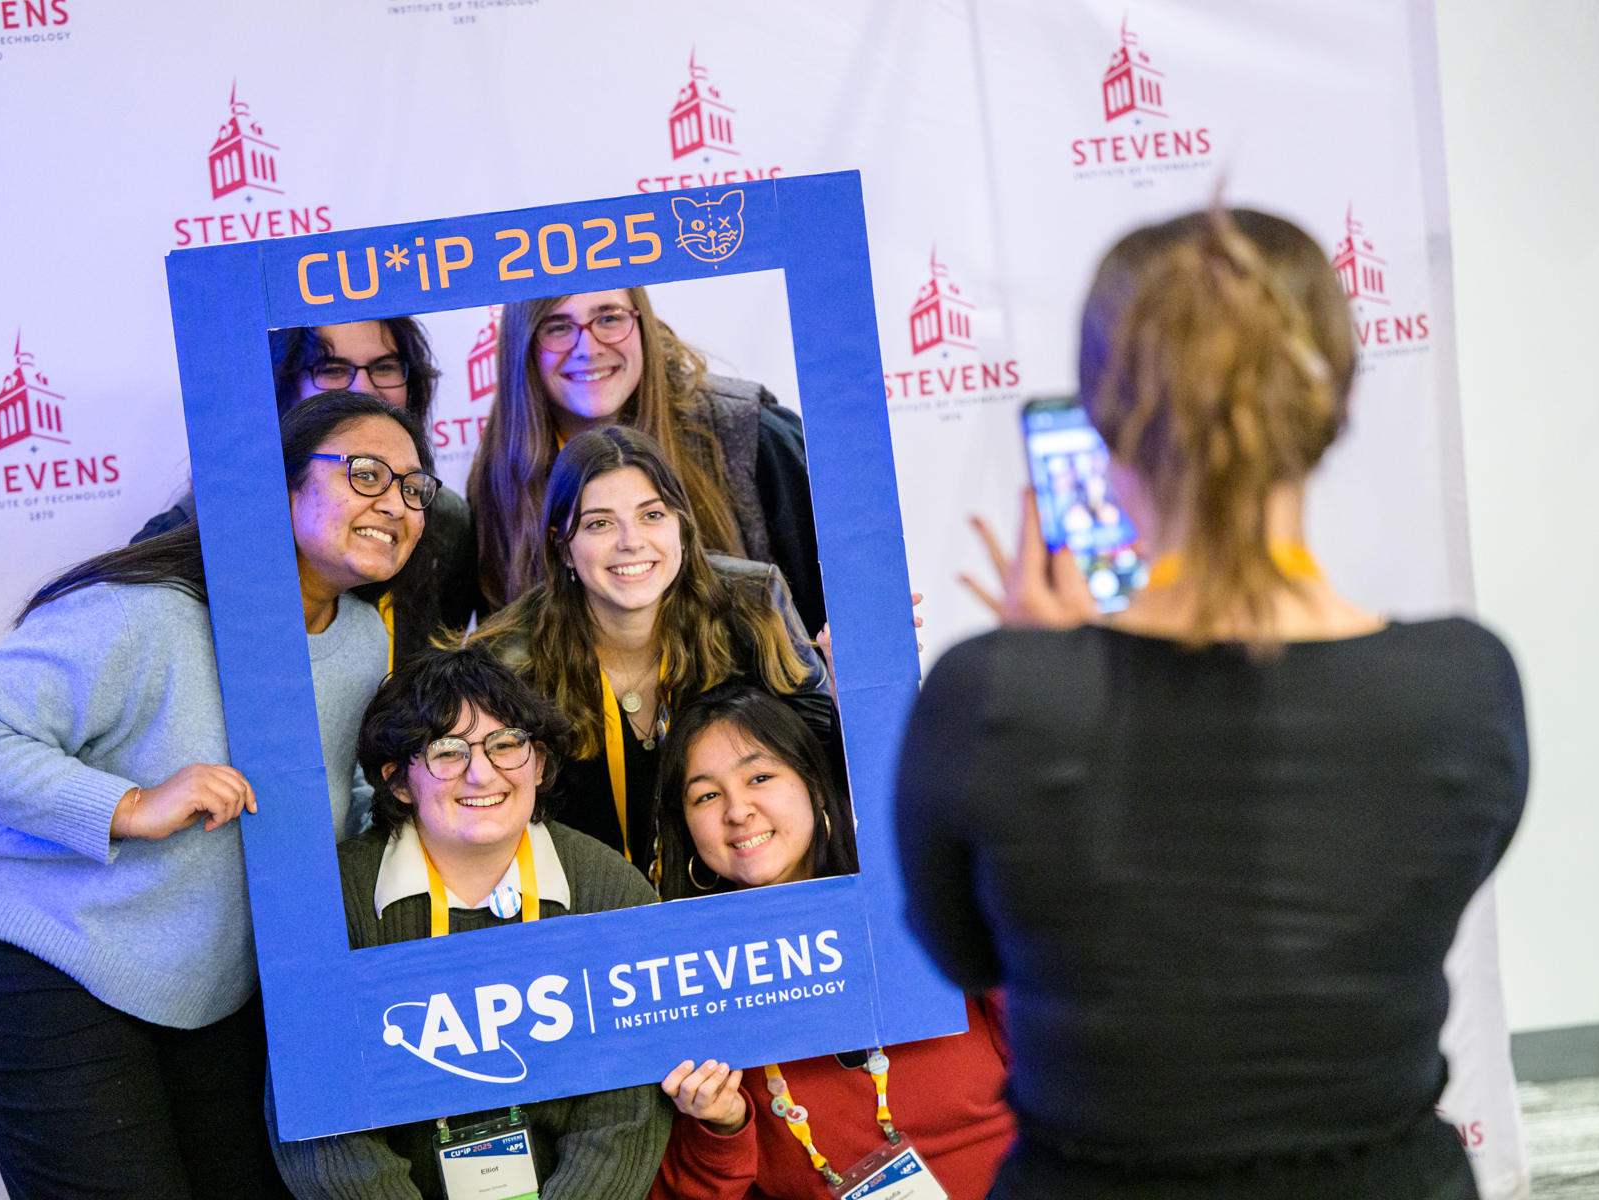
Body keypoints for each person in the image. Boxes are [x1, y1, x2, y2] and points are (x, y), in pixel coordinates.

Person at [899, 208, 1529, 1200]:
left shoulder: (993, 697)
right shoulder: (1464, 685)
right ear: (1334, 401)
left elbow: (965, 949)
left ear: (1104, 416)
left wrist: (1048, 679)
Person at [0, 391, 433, 1198]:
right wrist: (128, 804)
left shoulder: (363, 640)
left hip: (197, 984)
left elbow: (343, 805)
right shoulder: (147, 613)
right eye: (365, 474)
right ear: (280, 486)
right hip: (31, 953)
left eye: (414, 487)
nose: (395, 503)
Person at [269, 646, 671, 1200]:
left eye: (507, 745)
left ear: (540, 762)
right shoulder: (330, 903)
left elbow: (625, 1112)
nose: (481, 773)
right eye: (447, 752)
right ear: (398, 781)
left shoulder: (612, 891)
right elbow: (322, 1128)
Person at [646, 684, 1016, 1200]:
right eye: (706, 795)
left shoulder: (922, 902)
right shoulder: (685, 983)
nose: (737, 810)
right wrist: (723, 1127)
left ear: (815, 787)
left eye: (760, 777)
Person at [465, 426, 836, 883]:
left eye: (652, 515)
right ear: (562, 545)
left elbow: (827, 755)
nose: (631, 541)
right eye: (599, 523)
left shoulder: (753, 604)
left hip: (731, 891)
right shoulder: (506, 660)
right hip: (588, 913)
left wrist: (858, 686)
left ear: (681, 525)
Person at [469, 289, 826, 636]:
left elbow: (824, 626)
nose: (588, 349)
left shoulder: (750, 433)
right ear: (524, 344)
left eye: (609, 318)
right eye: (557, 327)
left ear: (641, 321)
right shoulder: (499, 470)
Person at [134, 317, 476, 670]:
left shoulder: (443, 524)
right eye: (331, 369)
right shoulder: (194, 531)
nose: (361, 389)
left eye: (385, 367)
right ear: (282, 388)